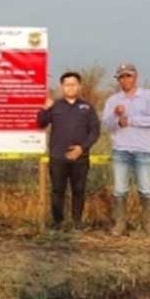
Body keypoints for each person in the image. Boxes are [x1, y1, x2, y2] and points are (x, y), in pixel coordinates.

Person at [101, 62, 150, 236]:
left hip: (143, 150)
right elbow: (107, 124)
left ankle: (148, 225)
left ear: (136, 77)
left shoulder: (148, 96)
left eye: (128, 75)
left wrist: (131, 120)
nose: (125, 79)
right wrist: (117, 119)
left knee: (145, 188)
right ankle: (120, 225)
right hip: (121, 150)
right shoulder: (113, 100)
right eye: (121, 76)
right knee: (120, 189)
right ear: (118, 79)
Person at [37, 71, 100, 230]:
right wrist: (44, 109)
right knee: (58, 190)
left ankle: (77, 222)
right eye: (67, 84)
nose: (70, 87)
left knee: (79, 190)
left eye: (73, 84)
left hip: (80, 158)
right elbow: (41, 123)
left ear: (79, 86)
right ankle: (58, 222)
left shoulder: (87, 108)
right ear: (62, 87)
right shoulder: (55, 106)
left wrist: (82, 148)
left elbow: (94, 132)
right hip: (58, 157)